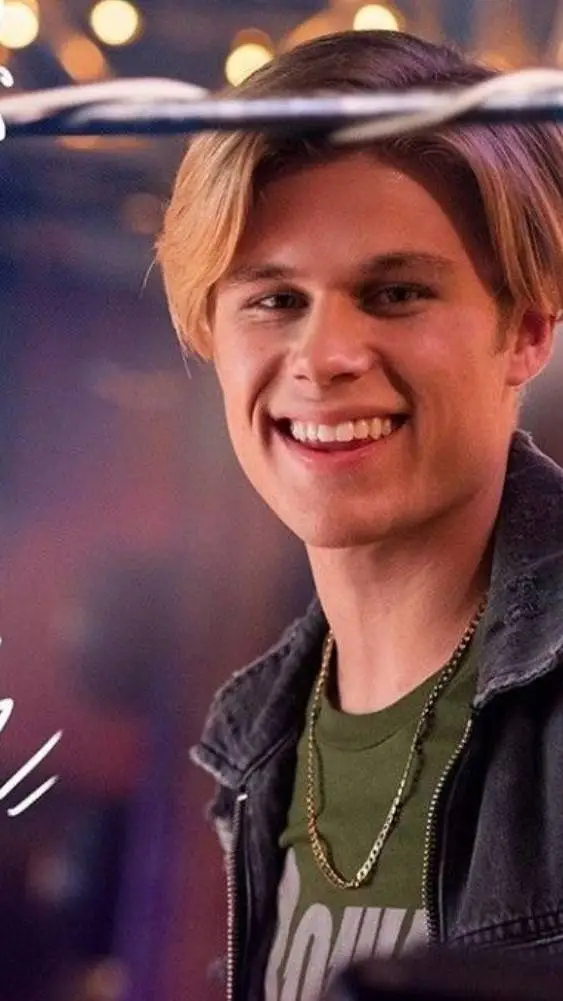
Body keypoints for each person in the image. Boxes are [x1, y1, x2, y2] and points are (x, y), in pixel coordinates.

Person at [156, 29, 563, 1001]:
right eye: (274, 299)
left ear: (526, 328)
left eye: (394, 293)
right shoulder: (257, 727)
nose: (323, 355)